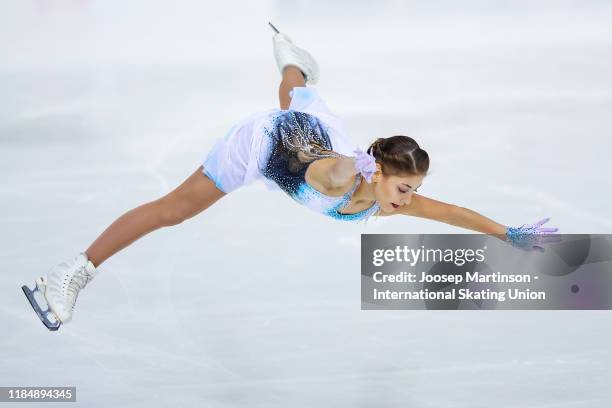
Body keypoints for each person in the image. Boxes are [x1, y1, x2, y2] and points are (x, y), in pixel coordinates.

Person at [21, 26, 558, 331]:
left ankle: (291, 60)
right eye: (403, 188)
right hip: (263, 146)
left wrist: (507, 234)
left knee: (299, 96)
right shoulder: (339, 177)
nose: (410, 200)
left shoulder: (392, 198)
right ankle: (73, 270)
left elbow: (452, 213)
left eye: (413, 191)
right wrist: (355, 168)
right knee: (175, 210)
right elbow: (333, 172)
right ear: (378, 170)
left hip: (313, 129)